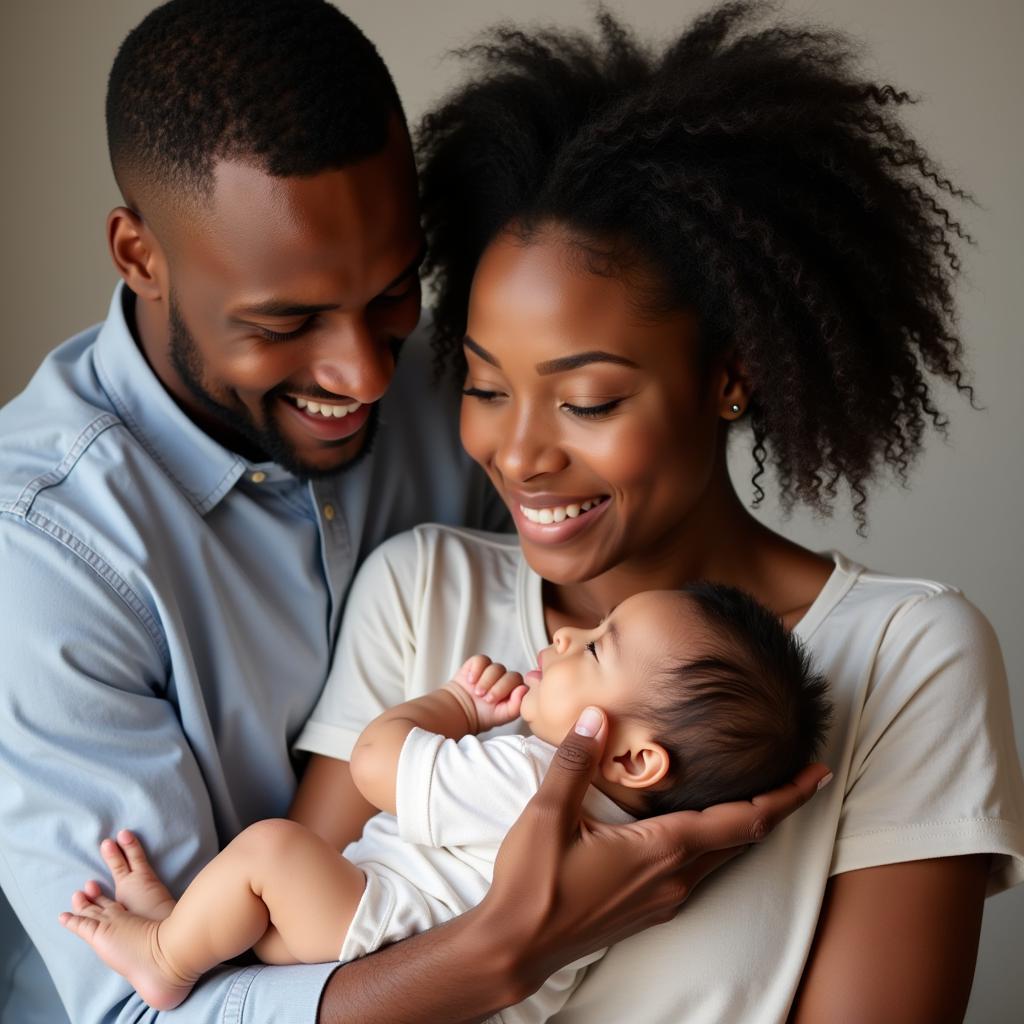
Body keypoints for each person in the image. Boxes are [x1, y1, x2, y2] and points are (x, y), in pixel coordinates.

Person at [0, 2, 825, 1023]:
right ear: (139, 255)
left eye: (393, 293)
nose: (365, 374)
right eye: (288, 320)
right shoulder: (37, 556)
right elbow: (145, 1014)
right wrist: (502, 951)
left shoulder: (467, 403)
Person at [283, 5, 1023, 1022]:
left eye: (587, 400)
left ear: (732, 376)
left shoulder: (902, 657)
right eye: (488, 387)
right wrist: (518, 941)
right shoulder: (422, 591)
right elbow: (276, 975)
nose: (520, 453)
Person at [58, 584, 832, 1016]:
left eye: (596, 646)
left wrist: (455, 707)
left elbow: (374, 763)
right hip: (426, 979)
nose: (566, 637)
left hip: (372, 935)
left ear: (633, 757)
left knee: (273, 852)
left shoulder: (534, 785)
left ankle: (164, 956)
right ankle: (184, 930)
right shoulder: (620, 845)